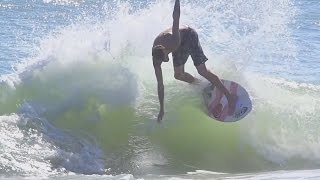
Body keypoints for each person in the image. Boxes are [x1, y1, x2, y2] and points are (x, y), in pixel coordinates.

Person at [152, 0, 237, 122]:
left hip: (188, 35)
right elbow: (160, 85)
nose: (166, 61)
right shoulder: (156, 60)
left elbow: (176, 17)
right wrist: (161, 109)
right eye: (163, 60)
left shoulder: (172, 39)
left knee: (202, 70)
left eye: (166, 57)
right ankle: (201, 85)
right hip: (178, 45)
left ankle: (230, 97)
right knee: (178, 75)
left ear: (166, 49)